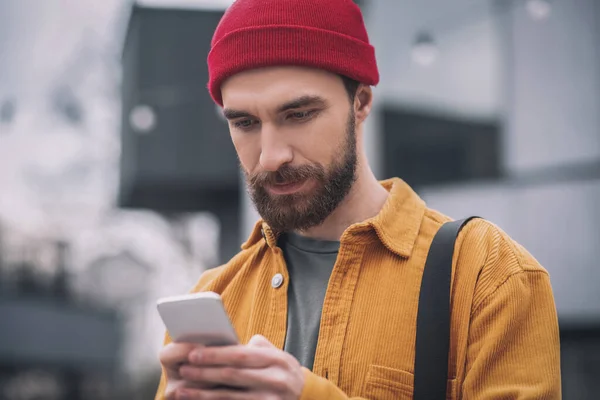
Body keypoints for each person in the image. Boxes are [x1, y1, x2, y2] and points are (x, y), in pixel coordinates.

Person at [155, 0, 561, 398]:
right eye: (245, 123)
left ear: (361, 102)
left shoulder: (488, 277)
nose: (271, 155)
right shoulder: (214, 296)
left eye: (298, 114)